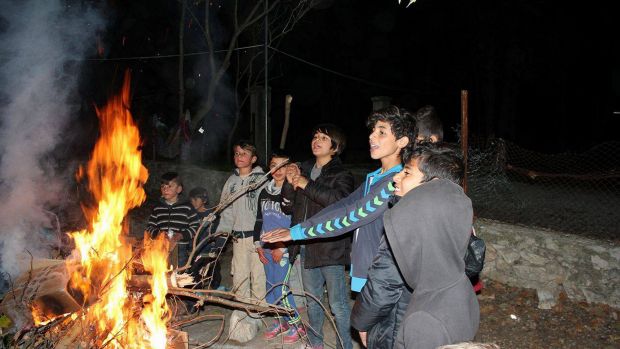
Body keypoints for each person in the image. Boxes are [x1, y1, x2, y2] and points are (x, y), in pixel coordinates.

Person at [262, 106, 417, 294]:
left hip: (387, 273)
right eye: (373, 131)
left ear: (401, 141)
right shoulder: (373, 177)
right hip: (368, 266)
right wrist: (294, 229)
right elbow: (341, 206)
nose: (372, 136)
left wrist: (295, 233)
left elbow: (351, 215)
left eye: (381, 132)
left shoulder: (395, 182)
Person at [351, 110, 445, 349]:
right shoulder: (438, 200)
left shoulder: (409, 212)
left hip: (399, 304)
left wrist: (363, 321)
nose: (397, 178)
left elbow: (386, 280)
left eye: (406, 172)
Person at [383, 144, 479, 349]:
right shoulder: (457, 282)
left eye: (406, 172)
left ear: (433, 185)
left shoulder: (424, 321)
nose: (395, 178)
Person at [281, 124, 355, 349]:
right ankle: (316, 344)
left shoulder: (342, 174)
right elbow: (288, 207)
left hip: (329, 247)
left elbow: (340, 203)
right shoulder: (303, 168)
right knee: (313, 302)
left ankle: (345, 346)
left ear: (335, 147)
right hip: (305, 247)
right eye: (315, 136)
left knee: (338, 305)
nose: (317, 140)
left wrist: (306, 183)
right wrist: (288, 179)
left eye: (324, 137)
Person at [253, 151, 305, 343]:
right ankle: (280, 320)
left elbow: (296, 222)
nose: (277, 169)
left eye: (283, 165)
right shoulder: (265, 191)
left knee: (281, 287)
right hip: (266, 246)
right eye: (274, 165)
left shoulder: (292, 191)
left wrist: (282, 246)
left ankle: (296, 324)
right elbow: (259, 219)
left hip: (283, 248)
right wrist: (258, 244)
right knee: (270, 285)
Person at [218, 140, 267, 300]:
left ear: (253, 159)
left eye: (244, 153)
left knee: (259, 275)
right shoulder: (231, 182)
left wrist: (265, 235)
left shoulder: (261, 180)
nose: (239, 156)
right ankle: (242, 309)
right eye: (237, 153)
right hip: (238, 238)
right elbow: (226, 210)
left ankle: (259, 310)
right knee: (240, 276)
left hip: (257, 237)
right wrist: (222, 234)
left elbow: (266, 209)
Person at [145, 172, 200, 268]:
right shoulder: (158, 208)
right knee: (161, 273)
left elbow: (196, 226)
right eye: (163, 187)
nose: (165, 189)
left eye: (169, 186)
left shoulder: (187, 207)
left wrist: (181, 235)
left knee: (178, 274)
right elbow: (150, 227)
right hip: (161, 247)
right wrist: (159, 234)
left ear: (179, 189)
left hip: (180, 248)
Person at [188, 187, 223, 290]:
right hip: (196, 248)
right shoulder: (191, 215)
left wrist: (216, 245)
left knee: (213, 267)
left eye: (196, 199)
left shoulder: (212, 214)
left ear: (204, 200)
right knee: (194, 269)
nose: (193, 202)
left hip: (209, 247)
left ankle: (216, 287)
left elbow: (218, 230)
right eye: (191, 200)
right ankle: (197, 289)